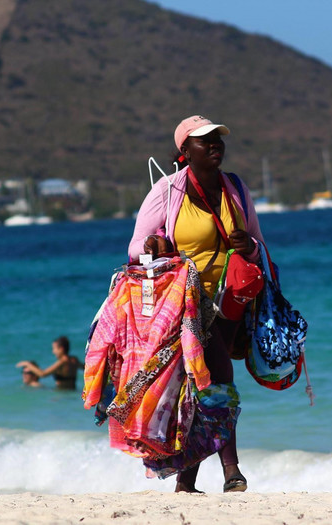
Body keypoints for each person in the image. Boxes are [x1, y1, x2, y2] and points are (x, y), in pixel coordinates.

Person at [123, 115, 265, 493]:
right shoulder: (167, 191)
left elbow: (259, 244)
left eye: (218, 138)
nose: (215, 144)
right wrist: (154, 247)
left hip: (231, 302)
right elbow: (135, 246)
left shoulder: (235, 188)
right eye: (205, 140)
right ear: (185, 151)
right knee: (217, 375)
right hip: (184, 303)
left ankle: (186, 483)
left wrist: (248, 248)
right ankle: (231, 469)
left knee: (201, 386)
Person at [17, 336, 82, 390]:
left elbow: (42, 374)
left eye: (54, 349)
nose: (53, 352)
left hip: (62, 395)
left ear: (61, 349)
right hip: (73, 392)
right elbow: (86, 368)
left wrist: (27, 364)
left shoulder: (62, 362)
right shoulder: (74, 360)